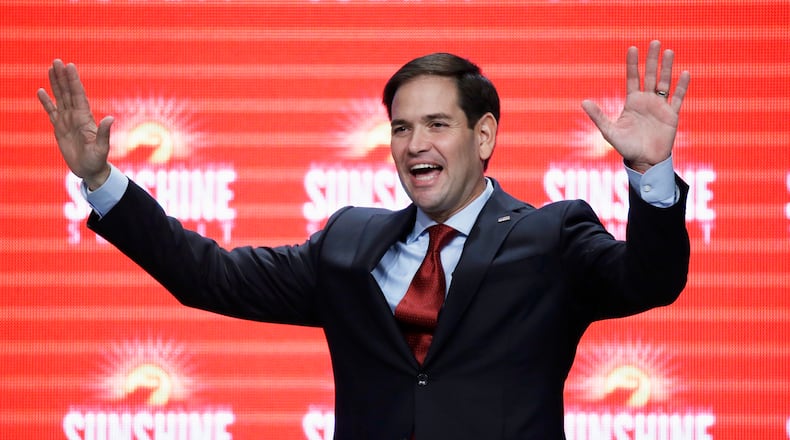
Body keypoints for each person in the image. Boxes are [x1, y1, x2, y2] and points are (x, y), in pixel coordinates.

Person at [38, 40, 691, 439]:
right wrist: (100, 179)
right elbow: (207, 276)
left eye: (438, 123)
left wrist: (650, 173)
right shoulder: (348, 243)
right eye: (402, 128)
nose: (415, 145)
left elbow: (651, 280)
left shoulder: (551, 237)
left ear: (485, 137)